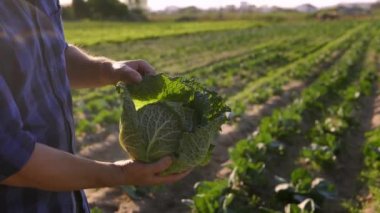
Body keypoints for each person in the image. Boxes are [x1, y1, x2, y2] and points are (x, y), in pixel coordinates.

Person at [0, 0, 189, 212]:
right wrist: (119, 174)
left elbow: (53, 54)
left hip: (66, 202)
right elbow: (11, 158)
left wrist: (106, 69)